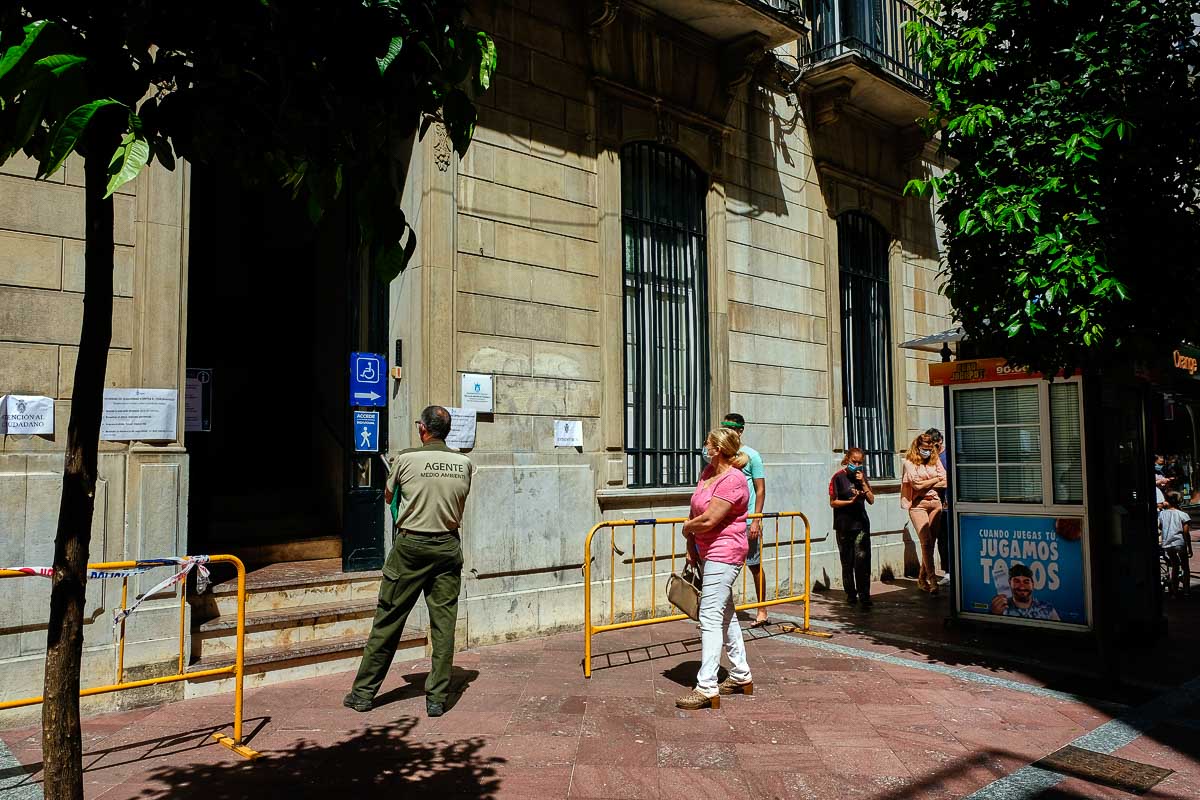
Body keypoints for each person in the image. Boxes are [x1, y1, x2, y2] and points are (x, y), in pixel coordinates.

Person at [344, 405, 475, 717]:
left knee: (388, 619)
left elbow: (389, 497)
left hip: (411, 546)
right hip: (446, 545)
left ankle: (363, 694)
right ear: (447, 430)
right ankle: (437, 698)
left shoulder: (405, 459)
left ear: (422, 429)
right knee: (443, 625)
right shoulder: (464, 463)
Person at [676, 427, 754, 710]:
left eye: (707, 443)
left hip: (726, 551)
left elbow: (709, 520)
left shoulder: (734, 480)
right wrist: (690, 544)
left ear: (718, 448)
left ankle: (707, 686)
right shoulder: (708, 473)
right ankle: (741, 674)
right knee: (725, 614)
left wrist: (687, 529)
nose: (704, 447)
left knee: (709, 616)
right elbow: (696, 510)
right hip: (705, 550)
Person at [722, 413, 769, 627]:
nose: (729, 430)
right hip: (725, 521)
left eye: (732, 427)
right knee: (721, 565)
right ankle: (720, 610)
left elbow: (760, 490)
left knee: (754, 565)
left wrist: (756, 520)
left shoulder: (752, 456)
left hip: (748, 518)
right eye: (725, 427)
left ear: (741, 430)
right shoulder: (722, 455)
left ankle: (762, 609)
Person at [901, 433, 947, 594]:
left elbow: (945, 479)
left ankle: (921, 578)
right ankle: (932, 580)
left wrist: (927, 484)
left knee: (930, 544)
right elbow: (916, 486)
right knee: (926, 543)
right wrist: (935, 480)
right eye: (924, 449)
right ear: (917, 447)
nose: (927, 452)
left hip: (935, 504)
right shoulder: (908, 462)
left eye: (929, 449)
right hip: (917, 505)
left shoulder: (935, 460)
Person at [829, 448, 875, 608]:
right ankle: (850, 594)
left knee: (862, 561)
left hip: (861, 525)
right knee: (847, 562)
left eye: (859, 462)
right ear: (847, 459)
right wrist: (849, 502)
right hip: (843, 525)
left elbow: (871, 499)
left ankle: (865, 596)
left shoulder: (862, 478)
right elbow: (833, 502)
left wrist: (862, 482)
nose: (856, 465)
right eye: (853, 461)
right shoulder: (838, 478)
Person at [925, 427, 951, 587]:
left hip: (949, 501)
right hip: (937, 503)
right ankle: (947, 571)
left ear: (939, 441)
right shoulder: (930, 457)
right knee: (942, 538)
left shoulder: (948, 456)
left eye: (934, 445)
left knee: (950, 537)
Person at [989, 563, 1060, 620]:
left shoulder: (1047, 608)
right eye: (1017, 581)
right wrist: (993, 615)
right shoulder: (1000, 607)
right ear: (1010, 583)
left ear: (1033, 584)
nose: (1022, 586)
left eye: (1026, 582)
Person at [1160, 492, 1193, 598]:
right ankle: (1186, 590)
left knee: (1175, 566)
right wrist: (1189, 547)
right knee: (1185, 566)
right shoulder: (1183, 515)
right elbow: (1186, 533)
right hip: (1180, 543)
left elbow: (1160, 527)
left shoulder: (1162, 514)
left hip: (1167, 544)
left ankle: (1174, 592)